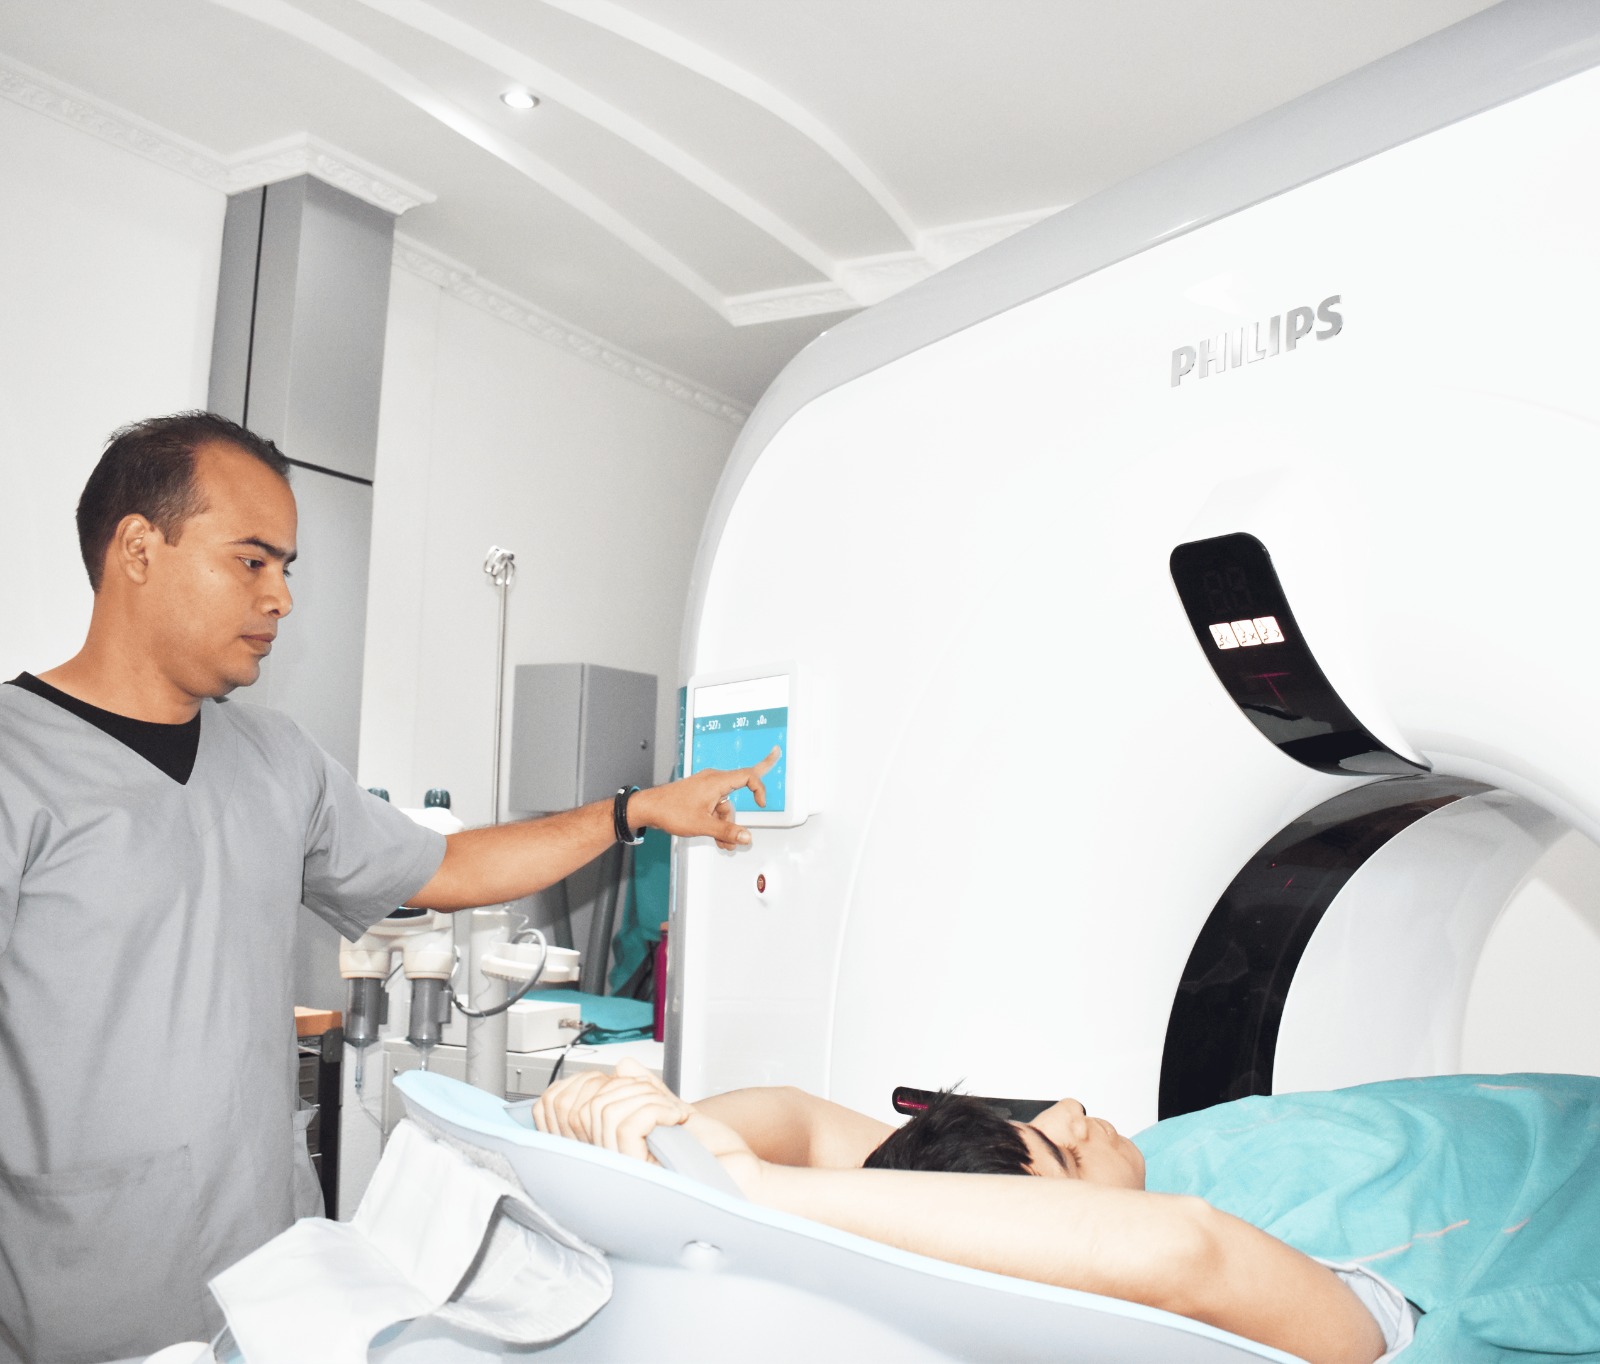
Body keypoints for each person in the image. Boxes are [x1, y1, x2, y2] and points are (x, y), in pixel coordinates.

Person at [0, 412, 779, 1364]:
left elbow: (447, 868)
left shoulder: (276, 760)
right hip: (80, 1293)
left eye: (287, 567)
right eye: (253, 561)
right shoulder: (17, 763)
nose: (282, 597)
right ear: (137, 548)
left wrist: (638, 810)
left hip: (274, 1272)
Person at [536, 1062, 1600, 1364]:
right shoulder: (1293, 1307)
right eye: (1058, 1149)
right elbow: (1178, 1252)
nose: (1072, 1113)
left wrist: (668, 1127)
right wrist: (761, 1195)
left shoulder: (1122, 1172)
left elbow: (802, 1121)